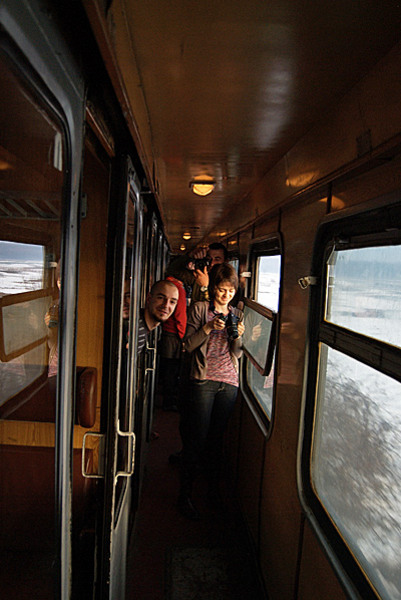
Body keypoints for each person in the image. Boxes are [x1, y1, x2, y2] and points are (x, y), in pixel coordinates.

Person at [177, 263, 245, 520]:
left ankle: (212, 493)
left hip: (229, 382)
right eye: (221, 289)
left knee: (216, 441)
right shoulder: (199, 309)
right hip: (203, 380)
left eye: (230, 291)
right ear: (213, 288)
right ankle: (184, 494)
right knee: (197, 438)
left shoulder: (237, 313)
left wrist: (238, 336)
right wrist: (208, 328)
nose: (226, 295)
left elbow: (237, 353)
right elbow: (187, 345)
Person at [159, 257, 191, 410]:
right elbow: (180, 315)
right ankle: (169, 402)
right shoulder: (178, 288)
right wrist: (184, 338)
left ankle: (167, 398)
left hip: (166, 331)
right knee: (172, 369)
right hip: (174, 335)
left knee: (167, 368)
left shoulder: (167, 283)